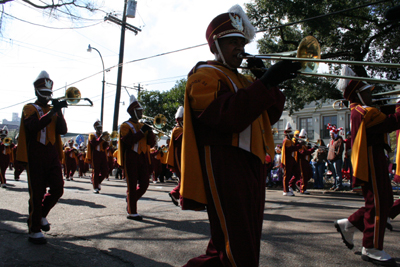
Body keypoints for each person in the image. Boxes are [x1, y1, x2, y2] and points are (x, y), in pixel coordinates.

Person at [179, 5, 300, 266]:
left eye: (242, 42)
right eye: (233, 41)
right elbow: (226, 117)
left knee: (240, 237)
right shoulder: (203, 75)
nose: (240, 48)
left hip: (252, 162)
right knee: (238, 240)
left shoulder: (244, 80)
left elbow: (272, 114)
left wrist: (266, 80)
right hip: (225, 161)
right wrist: (264, 82)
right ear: (216, 45)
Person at [334, 66, 398, 266]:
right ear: (357, 96)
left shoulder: (364, 110)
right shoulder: (362, 111)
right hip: (370, 160)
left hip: (376, 158)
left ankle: (351, 223)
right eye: (366, 93)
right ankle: (371, 247)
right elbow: (391, 122)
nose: (371, 96)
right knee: (378, 204)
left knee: (383, 201)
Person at [16, 70, 67, 244]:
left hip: (52, 154)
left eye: (48, 94)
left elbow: (63, 131)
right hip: (35, 155)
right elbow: (33, 127)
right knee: (36, 194)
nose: (46, 97)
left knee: (58, 189)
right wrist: (53, 112)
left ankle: (41, 215)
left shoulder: (53, 110)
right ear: (37, 92)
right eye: (44, 94)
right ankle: (34, 229)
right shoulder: (29, 108)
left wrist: (59, 112)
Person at [117, 95, 156, 221]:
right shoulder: (125, 125)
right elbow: (128, 141)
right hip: (131, 157)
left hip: (143, 157)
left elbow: (152, 143)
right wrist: (142, 130)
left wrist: (150, 131)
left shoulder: (143, 125)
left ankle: (130, 200)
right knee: (132, 186)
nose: (142, 113)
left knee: (145, 184)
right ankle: (132, 211)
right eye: (140, 111)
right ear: (133, 111)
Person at [167, 106, 184, 207]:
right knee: (184, 178)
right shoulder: (177, 129)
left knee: (185, 178)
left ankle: (175, 194)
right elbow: (182, 139)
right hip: (178, 156)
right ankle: (176, 194)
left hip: (183, 155)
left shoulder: (182, 129)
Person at [86, 120, 109, 193]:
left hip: (102, 153)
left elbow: (105, 146)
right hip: (95, 154)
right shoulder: (92, 135)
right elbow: (94, 144)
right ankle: (95, 186)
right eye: (98, 128)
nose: (100, 129)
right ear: (95, 128)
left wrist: (108, 141)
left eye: (101, 128)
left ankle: (96, 181)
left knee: (105, 170)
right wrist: (101, 138)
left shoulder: (102, 136)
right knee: (96, 170)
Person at [282, 122, 302, 196]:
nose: (292, 135)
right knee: (286, 175)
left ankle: (290, 185)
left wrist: (297, 143)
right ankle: (285, 190)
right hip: (287, 160)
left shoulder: (290, 140)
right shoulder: (286, 141)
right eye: (291, 134)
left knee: (297, 173)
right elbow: (290, 149)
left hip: (292, 160)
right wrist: (299, 146)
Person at [293, 129, 316, 194]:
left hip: (306, 161)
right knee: (304, 175)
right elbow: (303, 152)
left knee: (309, 174)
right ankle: (302, 189)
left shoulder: (305, 144)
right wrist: (312, 149)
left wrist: (311, 147)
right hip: (301, 161)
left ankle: (298, 183)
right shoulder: (299, 143)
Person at [327, 125, 344, 191]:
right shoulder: (331, 141)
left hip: (336, 159)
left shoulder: (339, 140)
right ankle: (335, 184)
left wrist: (336, 155)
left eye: (331, 134)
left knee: (337, 173)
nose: (331, 135)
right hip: (331, 159)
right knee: (333, 173)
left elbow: (340, 149)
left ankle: (339, 185)